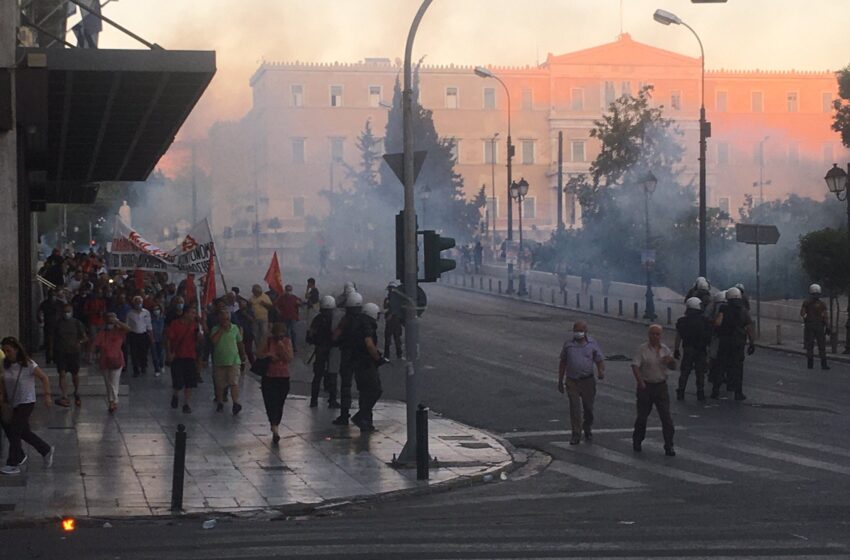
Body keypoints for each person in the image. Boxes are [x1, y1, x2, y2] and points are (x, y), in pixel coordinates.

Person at [0, 337, 54, 475]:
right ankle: (45, 449)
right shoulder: (5, 365)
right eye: (4, 351)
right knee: (23, 432)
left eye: (9, 350)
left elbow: (44, 378)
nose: (7, 353)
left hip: (26, 401)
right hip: (12, 402)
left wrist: (47, 395)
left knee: (15, 430)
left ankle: (13, 463)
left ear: (16, 349)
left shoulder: (28, 364)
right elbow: (3, 383)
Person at [631, 324, 677, 456]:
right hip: (646, 385)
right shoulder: (642, 349)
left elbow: (673, 366)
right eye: (653, 334)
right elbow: (635, 366)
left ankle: (669, 445)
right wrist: (640, 382)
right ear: (649, 335)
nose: (655, 337)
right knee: (642, 417)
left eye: (657, 334)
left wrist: (670, 361)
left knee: (666, 418)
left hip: (660, 386)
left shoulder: (665, 349)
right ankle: (637, 440)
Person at [557, 321, 605, 445]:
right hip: (572, 380)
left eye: (580, 330)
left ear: (585, 331)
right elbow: (563, 362)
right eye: (575, 330)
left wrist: (600, 371)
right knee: (574, 408)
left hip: (587, 381)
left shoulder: (592, 344)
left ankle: (587, 427)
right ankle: (576, 434)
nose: (578, 333)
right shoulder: (568, 345)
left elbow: (599, 360)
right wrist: (560, 380)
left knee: (588, 408)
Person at [712, 287, 756, 401]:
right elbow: (749, 328)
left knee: (720, 366)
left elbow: (717, 323)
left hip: (725, 341)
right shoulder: (743, 311)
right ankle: (738, 392)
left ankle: (715, 391)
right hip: (738, 342)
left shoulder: (723, 308)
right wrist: (752, 343)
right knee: (737, 367)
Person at [351, 303, 384, 432]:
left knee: (364, 393)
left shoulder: (357, 323)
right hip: (366, 363)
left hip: (357, 362)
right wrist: (378, 358)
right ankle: (361, 416)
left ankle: (366, 423)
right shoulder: (367, 326)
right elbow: (369, 345)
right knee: (375, 390)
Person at [259, 322, 294, 444]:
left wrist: (282, 347)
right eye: (277, 335)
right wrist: (269, 355)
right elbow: (259, 354)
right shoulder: (268, 341)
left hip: (283, 377)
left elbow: (289, 358)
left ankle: (275, 424)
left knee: (279, 403)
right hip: (269, 376)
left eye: (281, 335)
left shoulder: (287, 342)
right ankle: (274, 427)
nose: (279, 337)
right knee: (270, 403)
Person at [673, 297, 713, 401]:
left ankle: (681, 391)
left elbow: (678, 337)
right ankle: (700, 393)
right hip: (701, 350)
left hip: (688, 349)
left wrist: (676, 349)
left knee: (685, 372)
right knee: (700, 373)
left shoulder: (682, 321)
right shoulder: (705, 321)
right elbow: (709, 337)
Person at [332, 292, 362, 426]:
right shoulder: (363, 319)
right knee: (363, 387)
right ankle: (365, 417)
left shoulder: (345, 320)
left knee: (346, 386)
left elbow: (335, 336)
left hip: (347, 355)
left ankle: (344, 415)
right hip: (360, 357)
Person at [165, 306, 202, 413]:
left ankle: (186, 403)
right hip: (178, 356)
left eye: (195, 313)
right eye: (192, 312)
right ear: (185, 313)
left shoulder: (195, 326)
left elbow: (200, 339)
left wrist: (201, 327)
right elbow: (169, 339)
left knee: (189, 382)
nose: (194, 315)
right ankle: (175, 394)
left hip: (190, 355)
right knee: (178, 380)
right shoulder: (176, 324)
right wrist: (169, 353)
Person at [210, 309, 247, 415]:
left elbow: (240, 343)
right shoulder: (215, 329)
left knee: (233, 382)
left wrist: (243, 355)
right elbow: (214, 341)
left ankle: (235, 403)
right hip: (219, 361)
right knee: (220, 384)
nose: (225, 321)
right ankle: (220, 402)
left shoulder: (235, 329)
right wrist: (221, 330)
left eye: (226, 319)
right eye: (222, 319)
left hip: (233, 361)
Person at [93, 313, 130, 413]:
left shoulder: (119, 331)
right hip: (104, 360)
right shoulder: (102, 332)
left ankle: (113, 401)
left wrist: (117, 322)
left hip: (117, 359)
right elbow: (96, 344)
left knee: (114, 381)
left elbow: (128, 329)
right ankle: (111, 400)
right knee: (108, 382)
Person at [53, 303, 88, 408]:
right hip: (61, 352)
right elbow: (53, 336)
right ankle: (64, 395)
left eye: (68, 311)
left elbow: (85, 337)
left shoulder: (77, 323)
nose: (66, 314)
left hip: (74, 352)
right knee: (62, 373)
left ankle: (76, 391)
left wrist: (79, 342)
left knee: (74, 373)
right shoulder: (58, 323)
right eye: (65, 311)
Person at [306, 295, 338, 408]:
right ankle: (332, 400)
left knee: (317, 376)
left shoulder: (318, 318)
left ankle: (314, 400)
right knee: (333, 375)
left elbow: (310, 335)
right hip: (332, 350)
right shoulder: (335, 319)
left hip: (320, 349)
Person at [800, 283, 829, 370]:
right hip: (819, 326)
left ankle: (810, 364)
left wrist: (807, 319)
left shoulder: (806, 303)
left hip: (810, 326)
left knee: (810, 346)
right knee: (821, 346)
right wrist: (827, 326)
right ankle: (823, 364)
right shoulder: (822, 304)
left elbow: (802, 313)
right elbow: (825, 316)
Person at [126, 295, 153, 377]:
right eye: (137, 302)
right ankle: (135, 369)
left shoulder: (146, 312)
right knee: (134, 353)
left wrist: (151, 336)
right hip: (133, 335)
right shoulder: (130, 314)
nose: (138, 304)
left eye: (140, 302)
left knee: (143, 352)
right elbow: (127, 325)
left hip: (143, 335)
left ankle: (143, 366)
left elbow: (149, 325)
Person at [37, 290, 62, 365]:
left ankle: (56, 358)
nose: (52, 296)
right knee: (48, 343)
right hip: (48, 325)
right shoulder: (44, 303)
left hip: (58, 326)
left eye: (54, 295)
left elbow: (64, 311)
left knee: (57, 343)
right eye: (51, 295)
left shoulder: (60, 303)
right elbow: (39, 312)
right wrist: (40, 319)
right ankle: (49, 358)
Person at [275, 285, 302, 351]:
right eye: (287, 290)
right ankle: (287, 346)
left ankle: (294, 347)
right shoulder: (281, 298)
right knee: (286, 332)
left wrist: (299, 303)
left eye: (290, 290)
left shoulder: (294, 297)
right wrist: (279, 311)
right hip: (284, 317)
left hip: (293, 316)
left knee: (293, 331)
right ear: (285, 290)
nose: (288, 292)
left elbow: (300, 304)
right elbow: (276, 305)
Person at [249, 284, 274, 352]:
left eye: (254, 291)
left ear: (259, 292)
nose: (253, 292)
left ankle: (264, 348)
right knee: (256, 334)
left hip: (264, 318)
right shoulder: (251, 298)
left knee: (264, 333)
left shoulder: (265, 296)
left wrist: (265, 304)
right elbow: (249, 307)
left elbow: (271, 307)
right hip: (255, 319)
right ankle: (258, 349)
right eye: (253, 291)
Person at [383, 281, 403, 359]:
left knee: (393, 338)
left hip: (394, 321)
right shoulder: (391, 298)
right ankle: (397, 354)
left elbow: (395, 309)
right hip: (394, 321)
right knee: (395, 338)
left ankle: (389, 355)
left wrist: (390, 315)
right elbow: (385, 307)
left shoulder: (396, 299)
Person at [150, 304, 165, 377]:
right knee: (154, 355)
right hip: (153, 338)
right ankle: (156, 369)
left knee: (161, 353)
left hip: (161, 337)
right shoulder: (150, 319)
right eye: (154, 309)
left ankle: (161, 365)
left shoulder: (163, 317)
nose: (156, 311)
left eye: (157, 309)